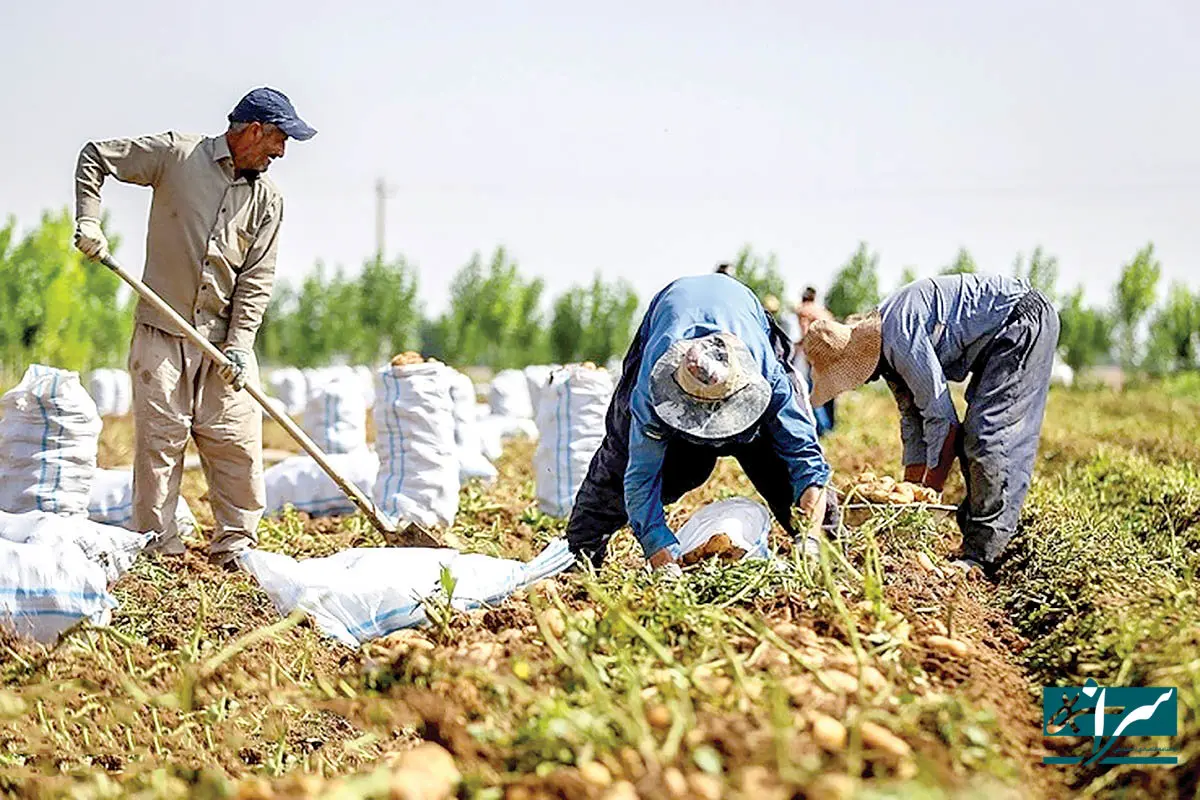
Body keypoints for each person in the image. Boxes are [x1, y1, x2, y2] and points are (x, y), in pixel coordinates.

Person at [72, 87, 316, 568]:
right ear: (253, 131)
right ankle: (157, 550)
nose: (282, 152)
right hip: (161, 333)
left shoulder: (268, 199)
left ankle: (236, 547)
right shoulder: (176, 156)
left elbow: (256, 280)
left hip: (221, 342)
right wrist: (89, 219)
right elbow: (95, 156)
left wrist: (241, 346)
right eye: (279, 139)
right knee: (161, 443)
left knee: (237, 441)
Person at [566, 273, 833, 574]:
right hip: (670, 313)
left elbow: (805, 459)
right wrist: (659, 553)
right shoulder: (651, 392)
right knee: (619, 462)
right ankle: (579, 554)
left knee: (783, 470)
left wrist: (810, 534)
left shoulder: (770, 379)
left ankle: (828, 555)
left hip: (741, 315)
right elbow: (640, 478)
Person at [802, 273, 1059, 576]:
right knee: (975, 437)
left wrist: (920, 507)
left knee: (988, 436)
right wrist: (907, 492)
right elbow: (914, 424)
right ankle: (975, 535)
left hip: (1021, 321)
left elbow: (943, 421)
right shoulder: (885, 353)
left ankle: (984, 553)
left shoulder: (898, 335)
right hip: (998, 335)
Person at [793, 286, 836, 434]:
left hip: (815, 355)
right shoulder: (824, 312)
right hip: (831, 354)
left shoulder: (804, 310)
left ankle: (822, 430)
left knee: (814, 393)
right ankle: (831, 427)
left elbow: (807, 333)